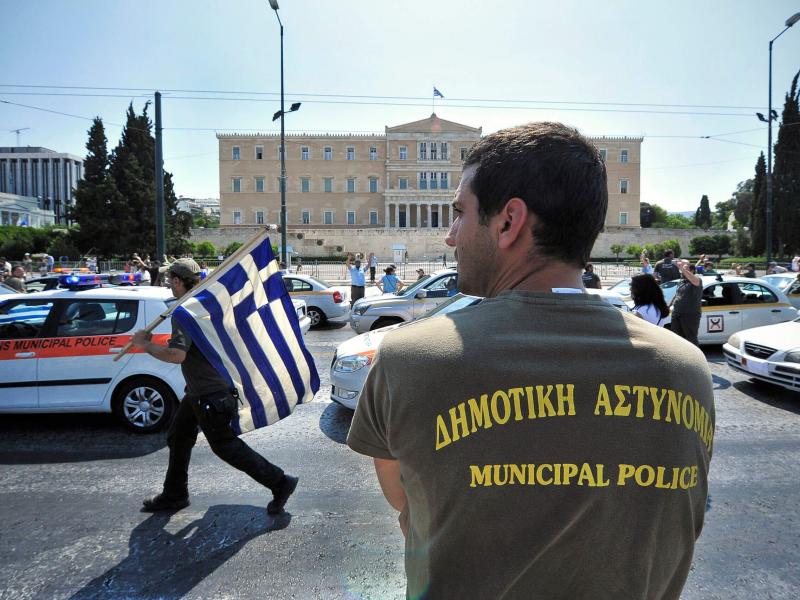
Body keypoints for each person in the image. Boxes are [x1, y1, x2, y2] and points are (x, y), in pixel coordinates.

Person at [347, 122, 714, 599]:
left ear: (508, 222)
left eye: (459, 213)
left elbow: (405, 499)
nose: (451, 237)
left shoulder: (407, 358)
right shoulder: (687, 370)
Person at [133, 258, 298, 515]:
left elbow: (177, 355)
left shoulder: (184, 312)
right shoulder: (204, 304)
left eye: (169, 280)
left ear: (177, 281)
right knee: (179, 436)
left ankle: (280, 482)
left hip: (209, 393)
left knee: (225, 446)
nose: (167, 285)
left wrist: (145, 345)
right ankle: (175, 494)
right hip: (200, 390)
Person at [670, 260, 703, 346]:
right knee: (676, 338)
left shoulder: (697, 280)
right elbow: (677, 294)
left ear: (692, 271)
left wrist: (682, 268)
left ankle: (695, 355)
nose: (682, 271)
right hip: (677, 313)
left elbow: (695, 281)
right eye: (681, 269)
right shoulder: (682, 281)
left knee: (691, 339)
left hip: (690, 314)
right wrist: (669, 305)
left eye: (685, 269)